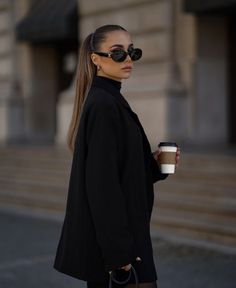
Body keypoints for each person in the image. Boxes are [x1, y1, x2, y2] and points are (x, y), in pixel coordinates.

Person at [53, 24, 180, 288]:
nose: (128, 59)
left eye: (132, 51)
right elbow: (102, 186)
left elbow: (121, 173)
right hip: (121, 251)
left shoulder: (110, 100)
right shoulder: (103, 104)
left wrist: (153, 167)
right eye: (117, 52)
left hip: (128, 240)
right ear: (95, 59)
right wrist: (118, 254)